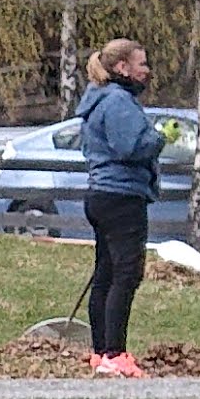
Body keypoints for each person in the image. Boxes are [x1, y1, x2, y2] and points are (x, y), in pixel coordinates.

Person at [68, 35, 168, 378]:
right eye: (141, 64)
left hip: (100, 195)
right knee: (126, 274)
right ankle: (115, 354)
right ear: (122, 67)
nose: (147, 70)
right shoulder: (118, 101)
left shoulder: (99, 99)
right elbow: (131, 146)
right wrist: (159, 137)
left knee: (106, 273)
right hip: (122, 196)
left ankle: (100, 352)